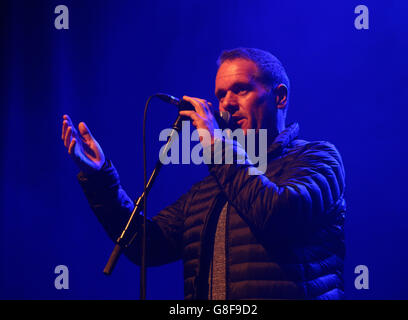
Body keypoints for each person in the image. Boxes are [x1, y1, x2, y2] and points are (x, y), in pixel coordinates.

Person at [61, 47, 346, 300]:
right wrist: (100, 178)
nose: (227, 103)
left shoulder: (318, 158)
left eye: (241, 89)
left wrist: (218, 148)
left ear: (279, 97)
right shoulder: (210, 187)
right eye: (220, 95)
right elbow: (146, 245)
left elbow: (278, 216)